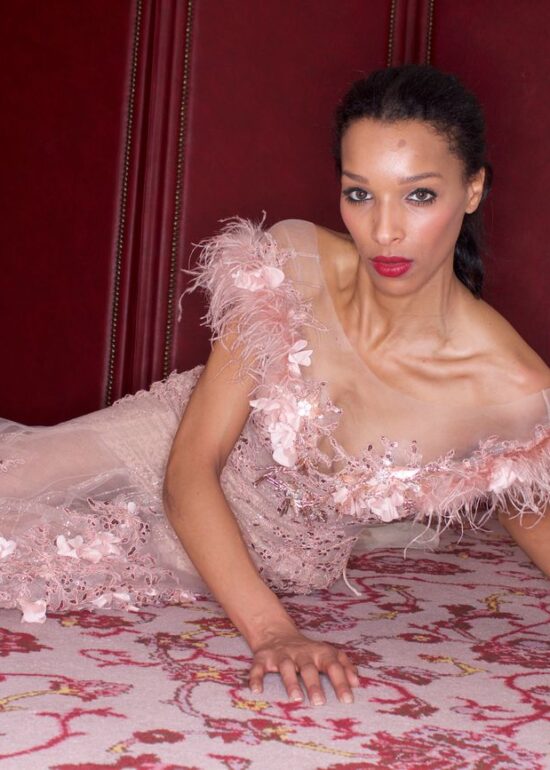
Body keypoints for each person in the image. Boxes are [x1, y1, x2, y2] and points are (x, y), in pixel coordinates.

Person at [0, 65, 549, 709]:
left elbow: (532, 517)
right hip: (160, 449)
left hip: (260, 561)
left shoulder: (514, 392)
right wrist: (273, 632)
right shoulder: (294, 264)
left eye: (419, 196)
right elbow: (190, 466)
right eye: (360, 194)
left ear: (473, 189)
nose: (384, 230)